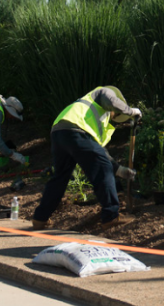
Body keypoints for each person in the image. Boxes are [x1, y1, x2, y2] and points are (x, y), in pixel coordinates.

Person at [31, 86, 141, 230]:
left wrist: (118, 169)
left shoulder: (87, 112)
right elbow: (112, 102)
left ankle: (40, 218)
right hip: (76, 131)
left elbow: (99, 152)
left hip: (59, 133)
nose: (113, 115)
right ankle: (111, 216)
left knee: (60, 177)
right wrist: (131, 111)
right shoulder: (103, 92)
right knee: (103, 169)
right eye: (115, 114)